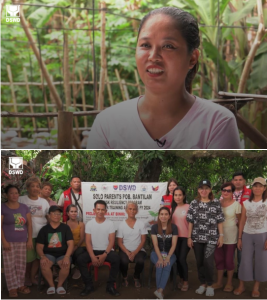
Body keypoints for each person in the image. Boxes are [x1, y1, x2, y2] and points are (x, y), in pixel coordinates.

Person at [87, 7, 241, 149]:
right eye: (145, 45)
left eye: (168, 46)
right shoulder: (107, 124)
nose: (153, 57)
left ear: (192, 58)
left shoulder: (217, 123)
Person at [186, 180, 225, 297]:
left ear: (210, 190)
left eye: (206, 188)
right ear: (198, 190)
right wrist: (189, 237)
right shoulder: (194, 203)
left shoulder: (216, 203)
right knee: (199, 261)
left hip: (212, 238)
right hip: (197, 238)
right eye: (201, 188)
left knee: (208, 262)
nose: (204, 190)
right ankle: (202, 283)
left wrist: (221, 236)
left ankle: (209, 284)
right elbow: (191, 222)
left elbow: (220, 221)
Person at [76, 200, 120, 297]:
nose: (100, 211)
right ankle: (88, 285)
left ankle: (110, 286)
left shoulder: (110, 223)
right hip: (93, 250)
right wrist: (92, 256)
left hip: (106, 250)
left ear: (106, 211)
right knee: (80, 259)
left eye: (102, 210)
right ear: (94, 210)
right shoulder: (90, 224)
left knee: (116, 258)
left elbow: (112, 241)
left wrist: (105, 254)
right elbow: (87, 242)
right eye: (98, 209)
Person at [233, 177, 267, 298]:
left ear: (264, 188)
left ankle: (256, 287)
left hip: (262, 234)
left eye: (260, 186)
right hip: (247, 234)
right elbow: (242, 221)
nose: (257, 188)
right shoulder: (246, 203)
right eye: (255, 186)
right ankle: (241, 285)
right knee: (244, 260)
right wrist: (240, 238)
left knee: (261, 261)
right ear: (252, 188)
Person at [1, 185, 32, 297]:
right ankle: (12, 287)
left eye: (16, 193)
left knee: (21, 264)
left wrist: (29, 240)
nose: (14, 195)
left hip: (22, 241)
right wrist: (3, 241)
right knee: (9, 265)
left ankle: (20, 285)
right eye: (11, 193)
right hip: (8, 241)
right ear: (6, 195)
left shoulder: (24, 207)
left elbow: (29, 225)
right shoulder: (2, 208)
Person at [18, 176, 50, 286]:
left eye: (37, 186)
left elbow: (48, 217)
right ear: (27, 188)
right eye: (32, 186)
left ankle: (32, 277)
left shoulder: (44, 202)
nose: (35, 188)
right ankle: (25, 278)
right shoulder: (21, 200)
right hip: (26, 235)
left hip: (41, 234)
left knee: (37, 257)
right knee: (27, 259)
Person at [36, 206, 74, 295]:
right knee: (44, 264)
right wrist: (42, 256)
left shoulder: (65, 228)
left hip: (63, 254)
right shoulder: (44, 229)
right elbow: (39, 246)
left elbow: (71, 244)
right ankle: (51, 285)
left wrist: (67, 257)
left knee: (66, 264)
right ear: (49, 215)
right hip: (49, 254)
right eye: (54, 214)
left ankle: (60, 285)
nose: (57, 216)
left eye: (58, 214)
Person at [213, 182, 241, 292]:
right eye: (224, 190)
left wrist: (240, 237)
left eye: (228, 190)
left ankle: (229, 283)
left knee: (229, 261)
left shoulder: (237, 205)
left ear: (232, 192)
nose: (226, 192)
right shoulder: (216, 204)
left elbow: (240, 222)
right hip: (218, 236)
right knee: (219, 259)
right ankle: (219, 282)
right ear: (221, 191)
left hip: (231, 236)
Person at [116, 202, 147, 288]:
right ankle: (125, 277)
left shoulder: (141, 223)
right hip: (125, 250)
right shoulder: (121, 225)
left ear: (137, 211)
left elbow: (143, 240)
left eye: (134, 209)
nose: (132, 211)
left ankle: (136, 277)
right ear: (126, 210)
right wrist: (127, 252)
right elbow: (119, 242)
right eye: (130, 209)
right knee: (124, 261)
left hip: (138, 250)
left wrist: (134, 252)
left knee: (140, 261)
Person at [150, 207, 178, 299]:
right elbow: (155, 244)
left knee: (167, 264)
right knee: (159, 265)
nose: (164, 216)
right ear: (159, 215)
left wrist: (168, 257)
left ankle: (159, 291)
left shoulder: (174, 227)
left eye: (166, 214)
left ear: (169, 216)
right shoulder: (154, 227)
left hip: (170, 253)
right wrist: (160, 258)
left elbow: (174, 245)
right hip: (156, 252)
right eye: (162, 214)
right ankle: (159, 293)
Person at [231, 172, 251, 277]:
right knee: (230, 249)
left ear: (244, 181)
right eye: (236, 180)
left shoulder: (250, 193)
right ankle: (229, 270)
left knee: (241, 250)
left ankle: (240, 270)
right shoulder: (227, 192)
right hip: (230, 227)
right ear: (232, 181)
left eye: (240, 180)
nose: (238, 182)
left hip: (244, 227)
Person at [171, 187, 190, 292]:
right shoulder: (172, 208)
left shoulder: (189, 207)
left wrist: (190, 237)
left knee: (182, 259)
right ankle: (182, 279)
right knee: (177, 259)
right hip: (175, 238)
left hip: (186, 237)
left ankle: (186, 282)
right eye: (175, 195)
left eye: (179, 195)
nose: (177, 197)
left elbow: (192, 223)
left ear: (184, 196)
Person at [66, 204, 86, 280]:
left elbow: (82, 238)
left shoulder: (81, 224)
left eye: (75, 211)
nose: (74, 213)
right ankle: (64, 271)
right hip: (68, 246)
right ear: (68, 213)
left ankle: (76, 268)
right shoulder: (64, 224)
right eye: (72, 211)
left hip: (79, 245)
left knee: (77, 252)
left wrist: (74, 247)